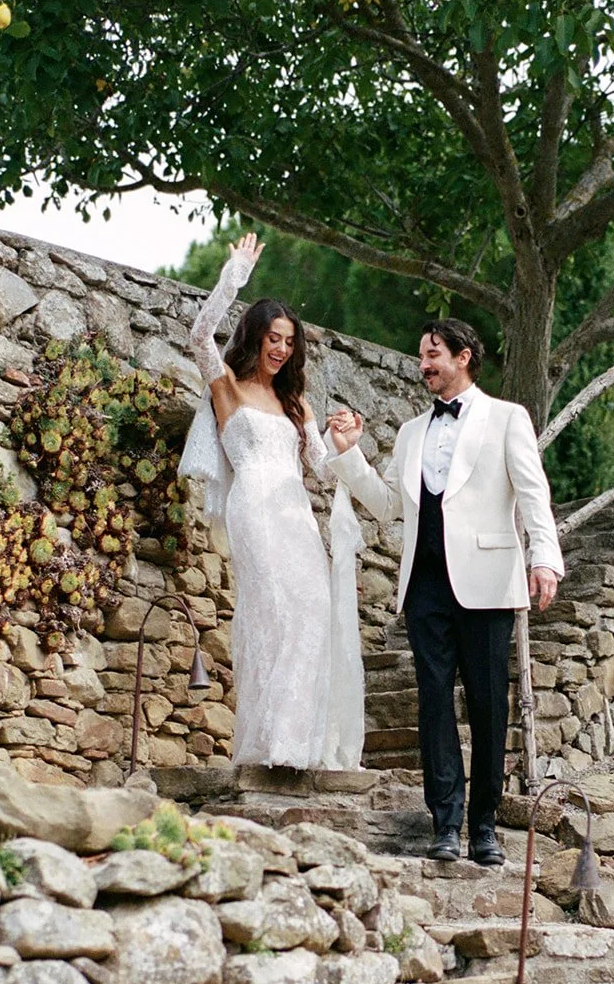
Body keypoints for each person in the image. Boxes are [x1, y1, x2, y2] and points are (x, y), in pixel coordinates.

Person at [328, 318, 563, 864]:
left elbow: (533, 492)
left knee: (487, 707)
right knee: (434, 704)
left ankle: (484, 826)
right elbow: (388, 505)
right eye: (420, 354)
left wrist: (544, 557)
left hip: (487, 581)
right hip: (425, 586)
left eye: (433, 353)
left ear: (464, 357)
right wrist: (349, 453)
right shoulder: (411, 432)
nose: (424, 364)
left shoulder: (507, 418)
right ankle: (446, 823)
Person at [178, 233, 363, 771]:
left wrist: (343, 443)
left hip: (296, 516)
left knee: (312, 613)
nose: (282, 349)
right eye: (274, 338)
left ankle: (295, 743)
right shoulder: (227, 388)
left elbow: (320, 469)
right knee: (275, 614)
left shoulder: (295, 401)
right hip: (254, 510)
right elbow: (196, 335)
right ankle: (270, 745)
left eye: (289, 341)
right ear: (255, 336)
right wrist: (231, 277)